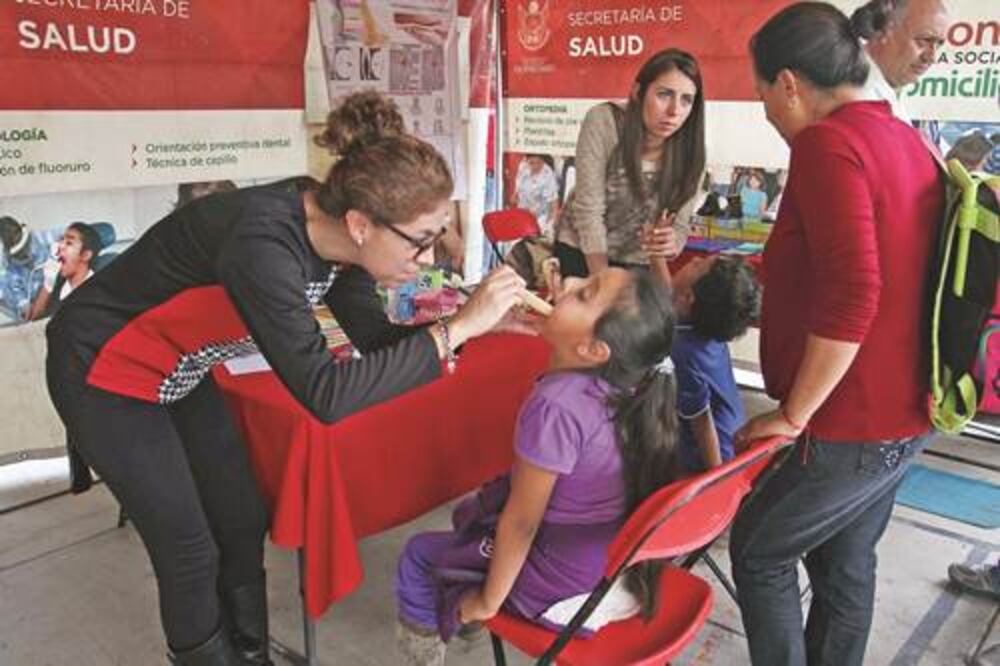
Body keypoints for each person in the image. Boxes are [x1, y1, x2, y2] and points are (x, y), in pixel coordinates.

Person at [45, 91, 527, 665]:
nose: (429, 257)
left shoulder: (341, 246)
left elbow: (373, 339)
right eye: (421, 239)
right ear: (362, 224)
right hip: (102, 367)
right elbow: (325, 394)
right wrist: (454, 332)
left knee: (241, 515)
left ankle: (249, 654)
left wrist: (471, 328)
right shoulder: (264, 245)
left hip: (180, 366)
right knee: (189, 548)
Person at [729, 5, 946, 666]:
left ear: (789, 83)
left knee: (759, 550)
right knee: (846, 565)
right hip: (910, 411)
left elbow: (856, 292)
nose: (765, 109)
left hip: (852, 422)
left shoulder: (828, 144)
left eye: (762, 92)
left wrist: (793, 415)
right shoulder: (904, 138)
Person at [394, 268, 678, 665]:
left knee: (419, 555)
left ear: (593, 350)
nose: (573, 282)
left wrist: (487, 601)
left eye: (584, 294)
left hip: (561, 591)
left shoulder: (556, 406)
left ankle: (432, 647)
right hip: (608, 573)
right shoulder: (628, 388)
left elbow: (522, 522)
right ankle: (470, 609)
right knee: (467, 514)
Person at [554, 48, 706, 278]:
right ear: (638, 92)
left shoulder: (692, 151)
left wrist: (671, 243)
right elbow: (589, 211)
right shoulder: (605, 121)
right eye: (664, 94)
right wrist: (603, 282)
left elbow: (681, 226)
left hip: (638, 264)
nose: (674, 111)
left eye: (686, 100)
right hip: (583, 252)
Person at [642, 246, 760, 473]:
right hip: (732, 437)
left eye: (697, 265)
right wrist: (655, 253)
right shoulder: (706, 326)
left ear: (688, 298)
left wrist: (715, 480)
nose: (694, 259)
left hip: (712, 454)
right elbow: (670, 297)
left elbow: (702, 423)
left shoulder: (682, 352)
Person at [851, 0, 950, 123]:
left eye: (938, 44)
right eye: (924, 40)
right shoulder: (852, 96)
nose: (931, 57)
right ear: (886, 31)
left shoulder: (887, 93)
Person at [27, 222, 102, 321]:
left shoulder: (98, 292)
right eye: (61, 241)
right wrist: (47, 285)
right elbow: (33, 319)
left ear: (85, 255)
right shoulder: (59, 287)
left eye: (69, 243)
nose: (60, 246)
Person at [0, 215, 51, 323]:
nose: (24, 253)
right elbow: (14, 284)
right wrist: (23, 304)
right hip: (32, 300)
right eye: (19, 252)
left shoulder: (45, 238)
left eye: (24, 247)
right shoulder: (9, 264)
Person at [511, 154, 560, 240]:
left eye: (538, 163)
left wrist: (549, 225)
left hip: (541, 218)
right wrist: (516, 195)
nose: (535, 166)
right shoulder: (523, 167)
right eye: (531, 163)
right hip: (523, 215)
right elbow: (517, 191)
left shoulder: (548, 174)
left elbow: (554, 203)